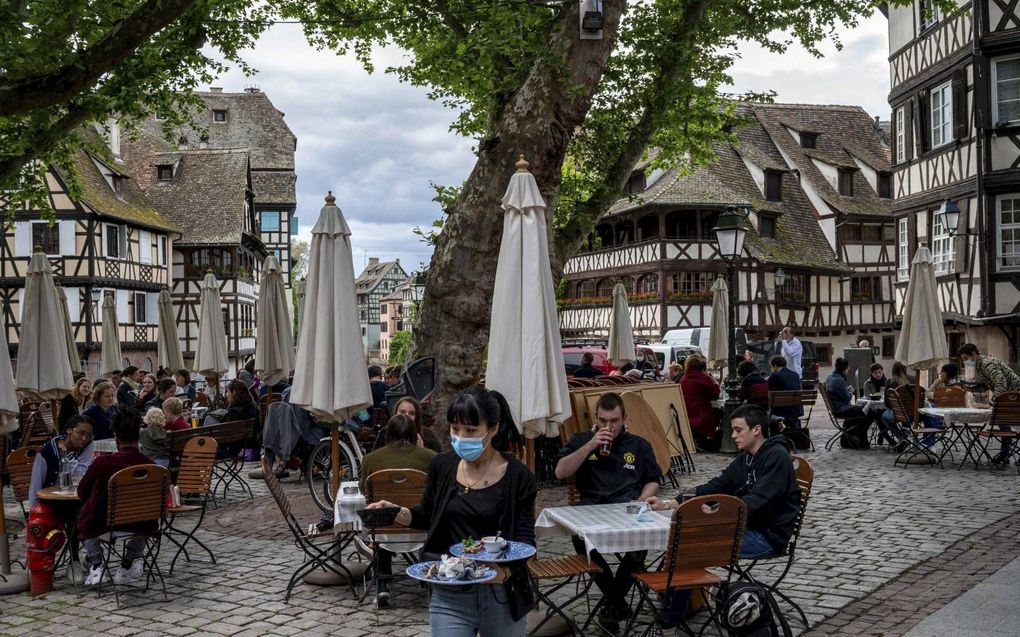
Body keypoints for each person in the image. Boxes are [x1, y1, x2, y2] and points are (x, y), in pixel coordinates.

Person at [366, 386, 537, 636]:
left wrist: (503, 573)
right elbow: (426, 514)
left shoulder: (518, 477)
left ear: (492, 429)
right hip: (449, 589)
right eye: (455, 429)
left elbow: (524, 540)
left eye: (470, 430)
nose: (461, 437)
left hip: (500, 593)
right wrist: (395, 512)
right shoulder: (442, 466)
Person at [555, 392, 661, 634]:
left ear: (625, 417)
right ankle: (617, 602)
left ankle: (613, 604)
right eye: (603, 421)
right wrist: (591, 443)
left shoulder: (638, 445)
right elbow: (561, 472)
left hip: (627, 509)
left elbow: (653, 480)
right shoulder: (582, 439)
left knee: (640, 544)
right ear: (596, 418)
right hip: (591, 508)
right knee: (579, 538)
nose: (608, 426)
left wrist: (644, 498)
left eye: (613, 421)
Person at [647, 405, 800, 560]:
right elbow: (718, 485)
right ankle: (688, 583)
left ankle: (688, 583)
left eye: (738, 430)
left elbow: (758, 500)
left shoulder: (776, 456)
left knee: (689, 541)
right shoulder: (747, 456)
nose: (733, 435)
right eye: (733, 430)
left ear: (756, 430)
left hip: (766, 537)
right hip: (745, 527)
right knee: (686, 533)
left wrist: (717, 511)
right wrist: (672, 503)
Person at [359, 414, 437, 606]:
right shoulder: (430, 457)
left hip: (384, 531)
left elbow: (363, 491)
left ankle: (383, 584)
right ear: (415, 433)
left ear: (388, 433)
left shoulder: (370, 459)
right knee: (391, 518)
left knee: (382, 519)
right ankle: (426, 578)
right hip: (421, 529)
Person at [76, 409, 157, 587]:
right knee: (144, 518)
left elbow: (81, 493)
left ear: (116, 438)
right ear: (139, 436)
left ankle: (97, 565)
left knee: (82, 516)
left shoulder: (101, 464)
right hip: (142, 526)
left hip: (104, 526)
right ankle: (128, 563)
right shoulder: (152, 467)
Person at [958, 343, 1020, 466]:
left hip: (1014, 396)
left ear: (974, 354)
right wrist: (969, 388)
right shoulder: (980, 365)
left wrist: (992, 403)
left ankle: (1004, 454)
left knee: (1005, 424)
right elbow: (987, 385)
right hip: (1009, 398)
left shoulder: (987, 364)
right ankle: (1004, 455)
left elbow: (1001, 383)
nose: (965, 362)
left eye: (966, 359)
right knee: (1004, 425)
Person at [28, 416, 95, 507]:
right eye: (81, 433)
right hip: (52, 502)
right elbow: (35, 487)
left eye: (89, 435)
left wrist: (64, 454)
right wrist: (33, 511)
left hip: (77, 500)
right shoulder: (48, 452)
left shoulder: (88, 444)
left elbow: (81, 473)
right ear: (69, 430)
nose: (84, 439)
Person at [824, 357, 879, 449]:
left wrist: (846, 390)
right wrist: (850, 391)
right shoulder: (839, 380)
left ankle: (854, 437)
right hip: (841, 409)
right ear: (844, 369)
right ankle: (861, 437)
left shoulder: (830, 378)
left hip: (836, 408)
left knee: (864, 411)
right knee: (871, 412)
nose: (849, 370)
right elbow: (847, 398)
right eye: (848, 368)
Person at [679, 354, 721, 451]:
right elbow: (715, 395)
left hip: (687, 415)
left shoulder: (683, 379)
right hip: (702, 415)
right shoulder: (703, 379)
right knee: (719, 413)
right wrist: (713, 381)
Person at [767, 356, 803, 429]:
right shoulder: (795, 375)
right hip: (796, 410)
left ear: (775, 366)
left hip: (780, 411)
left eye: (771, 367)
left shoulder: (774, 376)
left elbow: (769, 391)